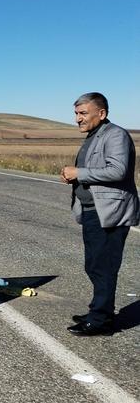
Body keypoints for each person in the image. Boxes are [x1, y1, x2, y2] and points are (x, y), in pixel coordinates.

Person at [60, 92, 139, 336]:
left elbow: (117, 170)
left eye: (83, 113)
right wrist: (72, 175)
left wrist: (79, 173)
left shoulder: (115, 135)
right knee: (94, 264)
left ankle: (101, 320)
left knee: (102, 266)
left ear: (101, 113)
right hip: (94, 211)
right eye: (76, 113)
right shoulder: (95, 136)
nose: (78, 119)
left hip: (110, 212)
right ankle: (99, 310)